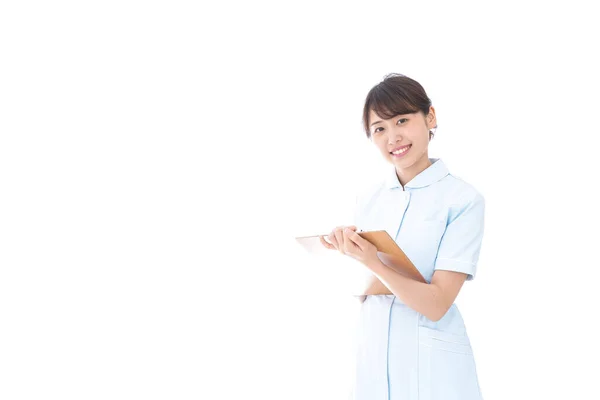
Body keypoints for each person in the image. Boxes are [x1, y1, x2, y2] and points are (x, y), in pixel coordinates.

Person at [319, 73, 485, 400]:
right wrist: (342, 250)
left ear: (430, 117)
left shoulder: (463, 200)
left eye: (402, 120)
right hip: (373, 360)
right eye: (379, 128)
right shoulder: (368, 199)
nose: (393, 136)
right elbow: (363, 287)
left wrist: (372, 261)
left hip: (434, 370)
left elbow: (437, 304)